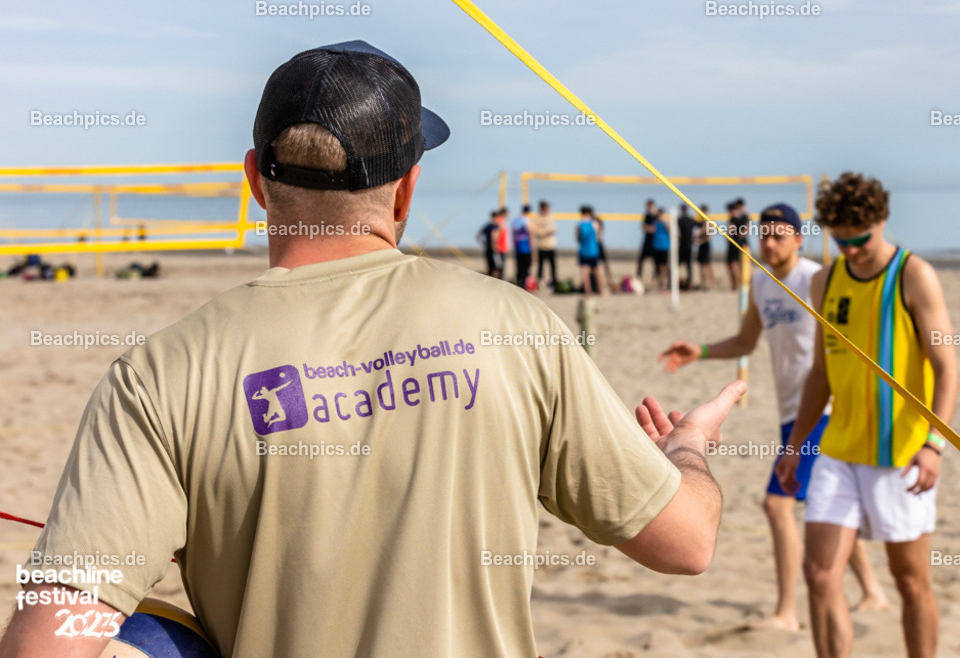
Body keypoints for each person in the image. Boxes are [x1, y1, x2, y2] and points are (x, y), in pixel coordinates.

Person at [0, 40, 749, 658]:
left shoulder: (159, 374)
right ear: (406, 190)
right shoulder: (518, 327)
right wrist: (687, 449)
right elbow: (686, 543)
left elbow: (47, 645)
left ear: (256, 182)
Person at [659, 203, 888, 633]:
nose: (769, 242)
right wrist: (702, 352)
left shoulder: (815, 279)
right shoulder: (762, 284)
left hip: (825, 411)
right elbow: (746, 341)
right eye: (764, 234)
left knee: (776, 504)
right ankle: (873, 590)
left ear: (799, 239)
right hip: (791, 416)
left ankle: (787, 611)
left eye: (780, 235)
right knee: (825, 504)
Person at [776, 173, 958, 658]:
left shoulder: (914, 275)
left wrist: (933, 445)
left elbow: (946, 369)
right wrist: (795, 448)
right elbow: (821, 372)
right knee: (819, 575)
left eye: (859, 240)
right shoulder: (824, 279)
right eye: (840, 241)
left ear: (881, 222)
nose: (850, 251)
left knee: (910, 581)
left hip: (900, 455)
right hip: (838, 451)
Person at [577, 205, 607, 297]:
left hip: (583, 251)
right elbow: (599, 238)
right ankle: (601, 291)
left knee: (585, 274)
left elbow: (578, 239)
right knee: (597, 273)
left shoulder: (579, 225)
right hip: (593, 251)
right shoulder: (595, 223)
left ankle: (588, 292)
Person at [725, 198, 750, 291]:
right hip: (739, 243)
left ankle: (736, 285)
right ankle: (736, 285)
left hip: (735, 244)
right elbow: (746, 229)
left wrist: (731, 238)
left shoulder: (735, 218)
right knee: (736, 265)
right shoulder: (743, 216)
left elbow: (731, 230)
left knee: (734, 265)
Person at [534, 199, 558, 287]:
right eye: (545, 207)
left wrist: (549, 231)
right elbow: (536, 231)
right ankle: (540, 280)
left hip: (551, 245)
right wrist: (546, 232)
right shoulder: (538, 217)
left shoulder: (550, 216)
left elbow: (554, 229)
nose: (546, 209)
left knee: (553, 265)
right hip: (542, 245)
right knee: (541, 265)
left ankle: (554, 279)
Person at [511, 204, 534, 289]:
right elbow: (531, 234)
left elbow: (513, 234)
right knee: (526, 266)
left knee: (519, 267)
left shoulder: (515, 220)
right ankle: (523, 285)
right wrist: (532, 247)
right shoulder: (526, 220)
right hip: (526, 247)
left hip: (517, 247)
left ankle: (519, 283)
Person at [477, 209, 504, 279]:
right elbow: (494, 236)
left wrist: (484, 243)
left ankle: (490, 283)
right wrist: (495, 247)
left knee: (490, 267)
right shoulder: (495, 226)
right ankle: (495, 283)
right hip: (494, 249)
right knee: (498, 267)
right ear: (496, 217)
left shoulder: (487, 226)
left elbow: (478, 236)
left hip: (487, 249)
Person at [695, 204, 716, 290]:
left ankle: (708, 284)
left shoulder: (707, 220)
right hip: (703, 244)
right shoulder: (702, 220)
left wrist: (699, 238)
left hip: (704, 244)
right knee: (703, 265)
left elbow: (708, 234)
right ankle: (705, 283)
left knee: (706, 265)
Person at [636, 198, 658, 282]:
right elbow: (643, 227)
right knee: (641, 260)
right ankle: (639, 277)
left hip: (654, 241)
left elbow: (655, 228)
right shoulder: (647, 215)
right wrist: (649, 228)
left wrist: (649, 228)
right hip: (647, 241)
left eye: (649, 205)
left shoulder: (655, 215)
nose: (647, 207)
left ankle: (655, 278)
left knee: (655, 261)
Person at [677, 204, 697, 290]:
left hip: (684, 246)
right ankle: (688, 284)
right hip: (687, 246)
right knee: (688, 267)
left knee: (683, 266)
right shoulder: (690, 220)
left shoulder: (680, 220)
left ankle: (688, 284)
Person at [651, 207, 671, 290]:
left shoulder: (665, 224)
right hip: (656, 246)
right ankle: (659, 283)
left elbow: (670, 230)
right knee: (657, 266)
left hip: (664, 246)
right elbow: (648, 229)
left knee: (664, 266)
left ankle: (665, 283)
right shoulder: (655, 223)